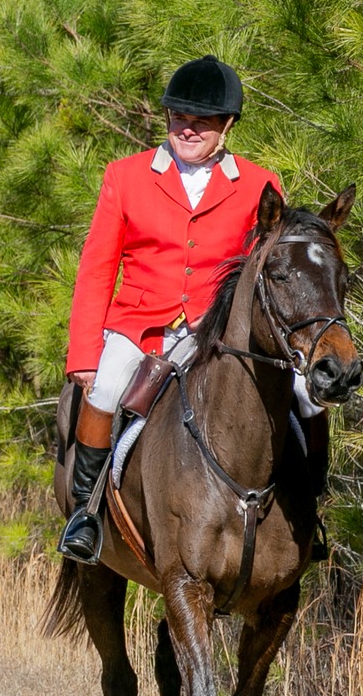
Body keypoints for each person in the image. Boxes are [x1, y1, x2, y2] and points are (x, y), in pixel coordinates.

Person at [58, 55, 284, 561]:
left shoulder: (258, 186)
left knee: (301, 398)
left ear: (227, 126)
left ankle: (307, 513)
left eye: (202, 121)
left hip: (218, 332)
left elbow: (262, 271)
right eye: (180, 118)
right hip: (140, 327)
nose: (189, 129)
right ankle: (85, 515)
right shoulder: (126, 176)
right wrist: (84, 355)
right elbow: (98, 267)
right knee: (109, 388)